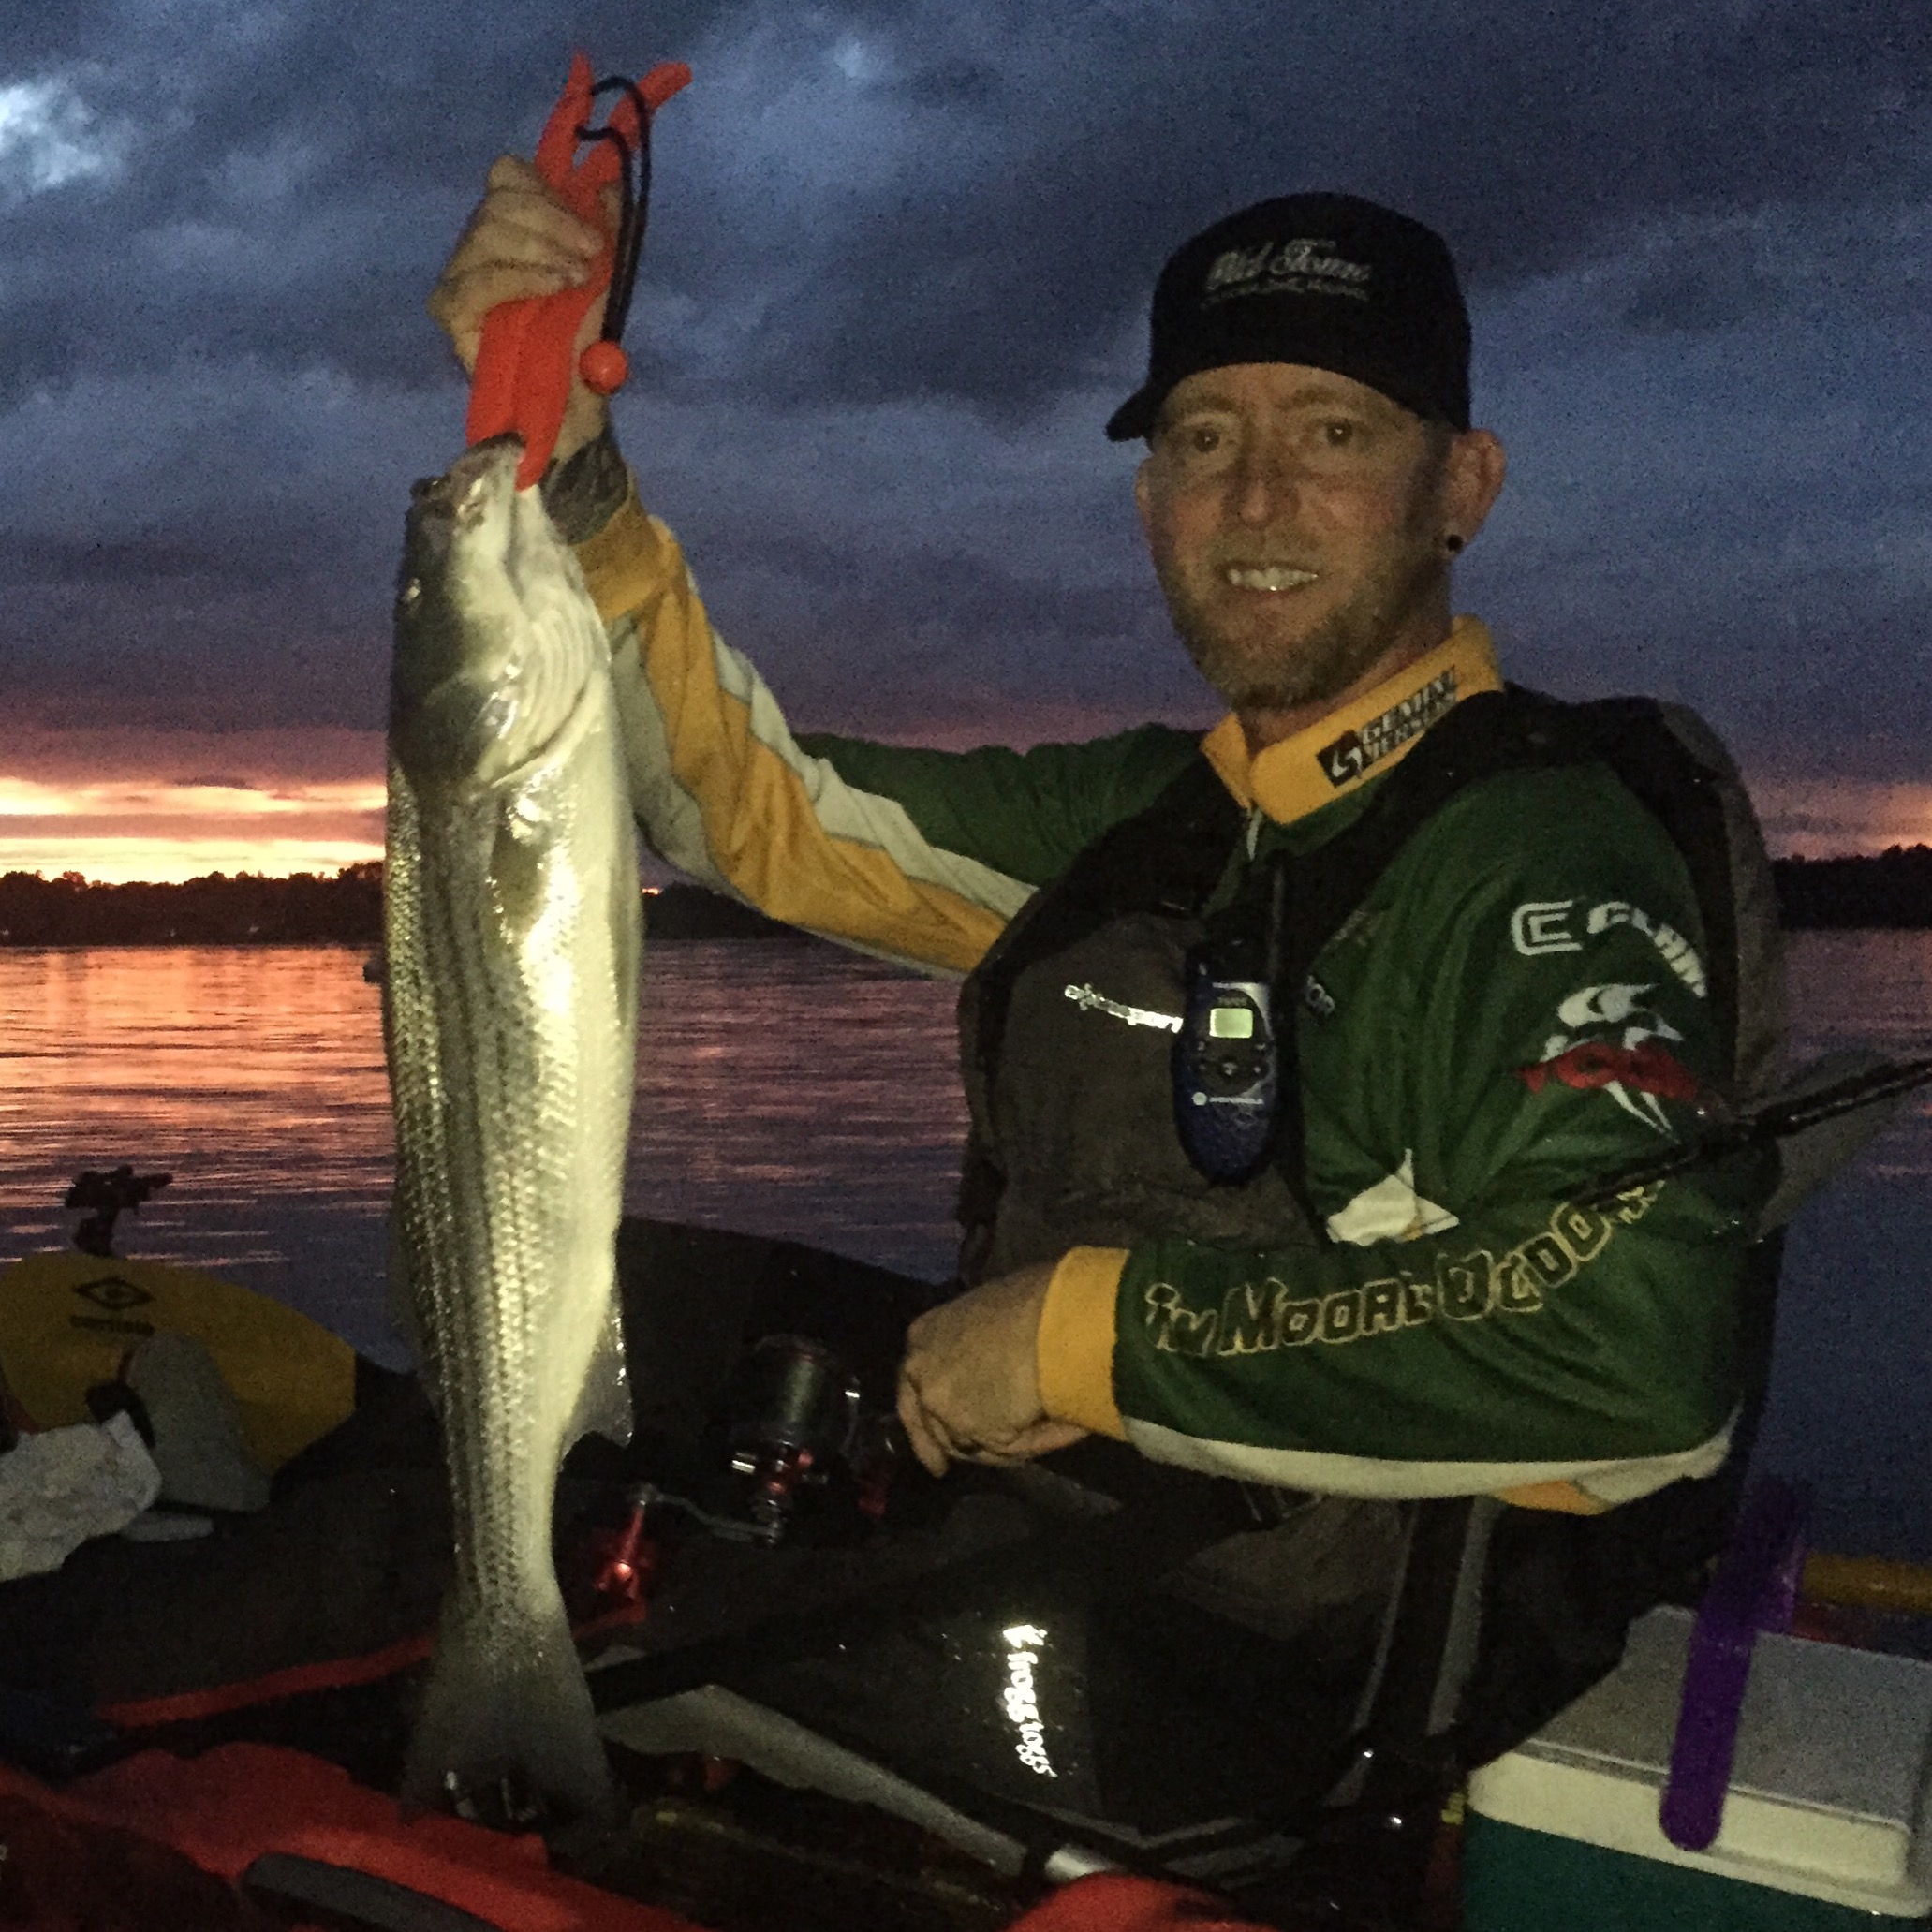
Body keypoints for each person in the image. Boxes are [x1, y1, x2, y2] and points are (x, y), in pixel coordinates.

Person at [428, 167, 1782, 1656]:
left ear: (1460, 487)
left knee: (575, 1610)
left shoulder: (1535, 853)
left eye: (1332, 432)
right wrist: (568, 460)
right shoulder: (1151, 819)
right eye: (1205, 439)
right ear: (1149, 501)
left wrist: (1076, 1337)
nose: (1256, 500)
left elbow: (1639, 1353)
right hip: (1092, 1537)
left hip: (1297, 1659)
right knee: (638, 1324)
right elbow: (755, 807)